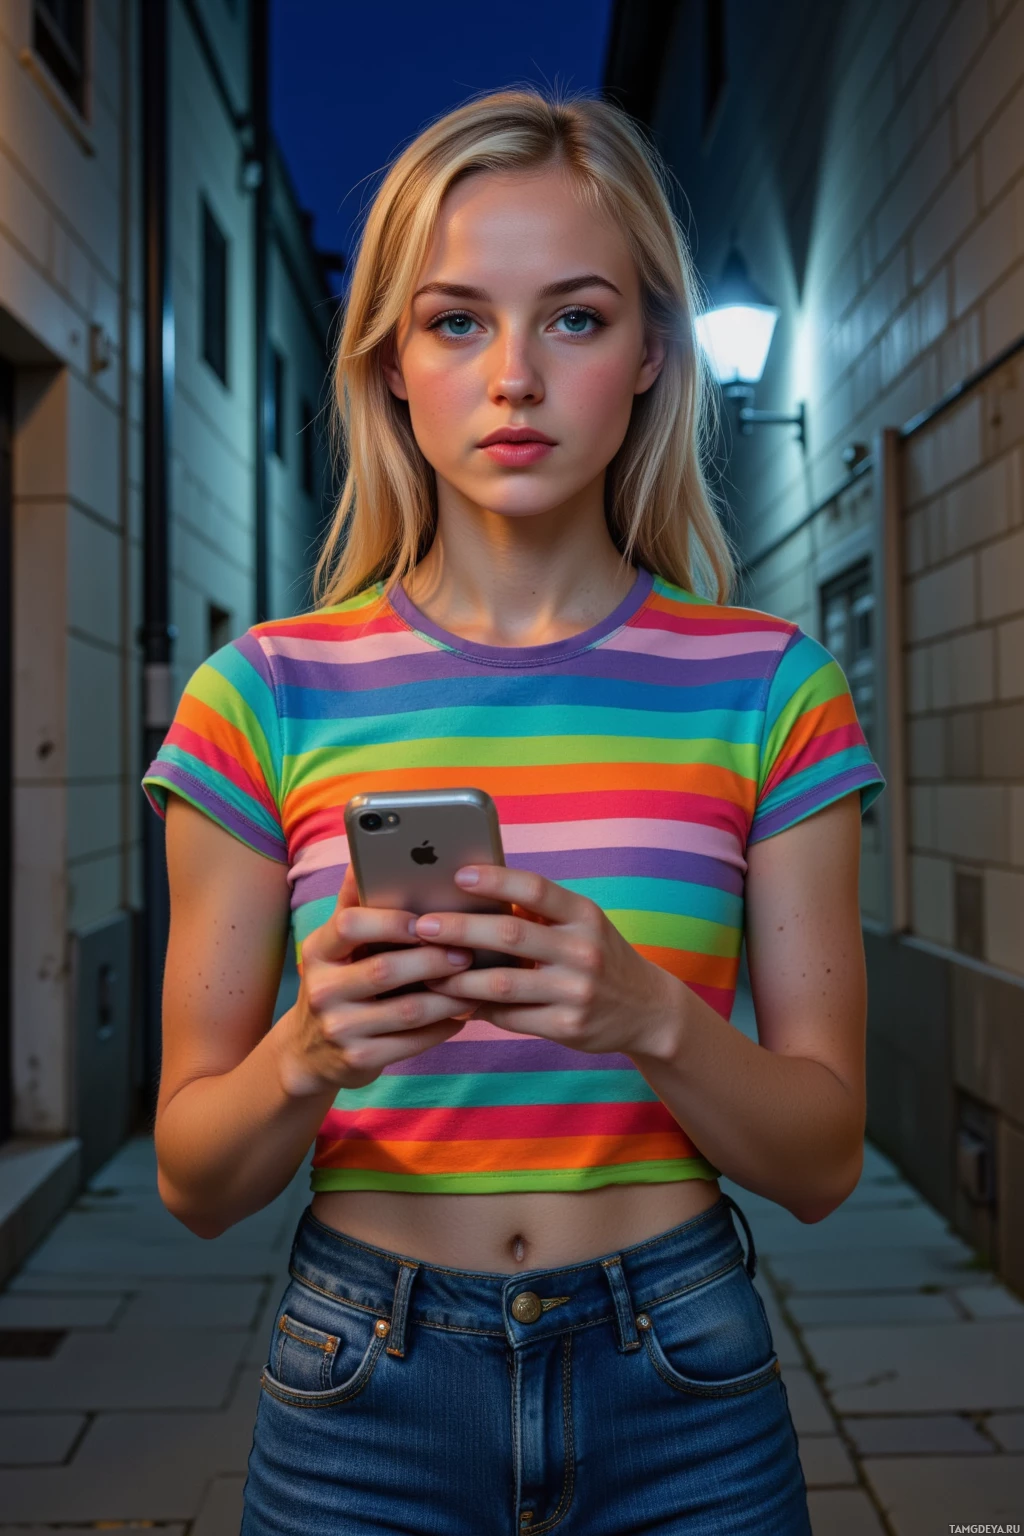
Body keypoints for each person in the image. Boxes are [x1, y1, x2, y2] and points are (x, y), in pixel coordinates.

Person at [143, 87, 884, 1535]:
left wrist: (647, 1015)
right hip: (361, 1384)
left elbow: (822, 1162)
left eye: (576, 318)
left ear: (653, 353)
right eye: (457, 321)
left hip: (683, 1374)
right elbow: (194, 1180)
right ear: (391, 363)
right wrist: (310, 1051)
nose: (515, 379)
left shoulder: (771, 688)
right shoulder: (264, 695)